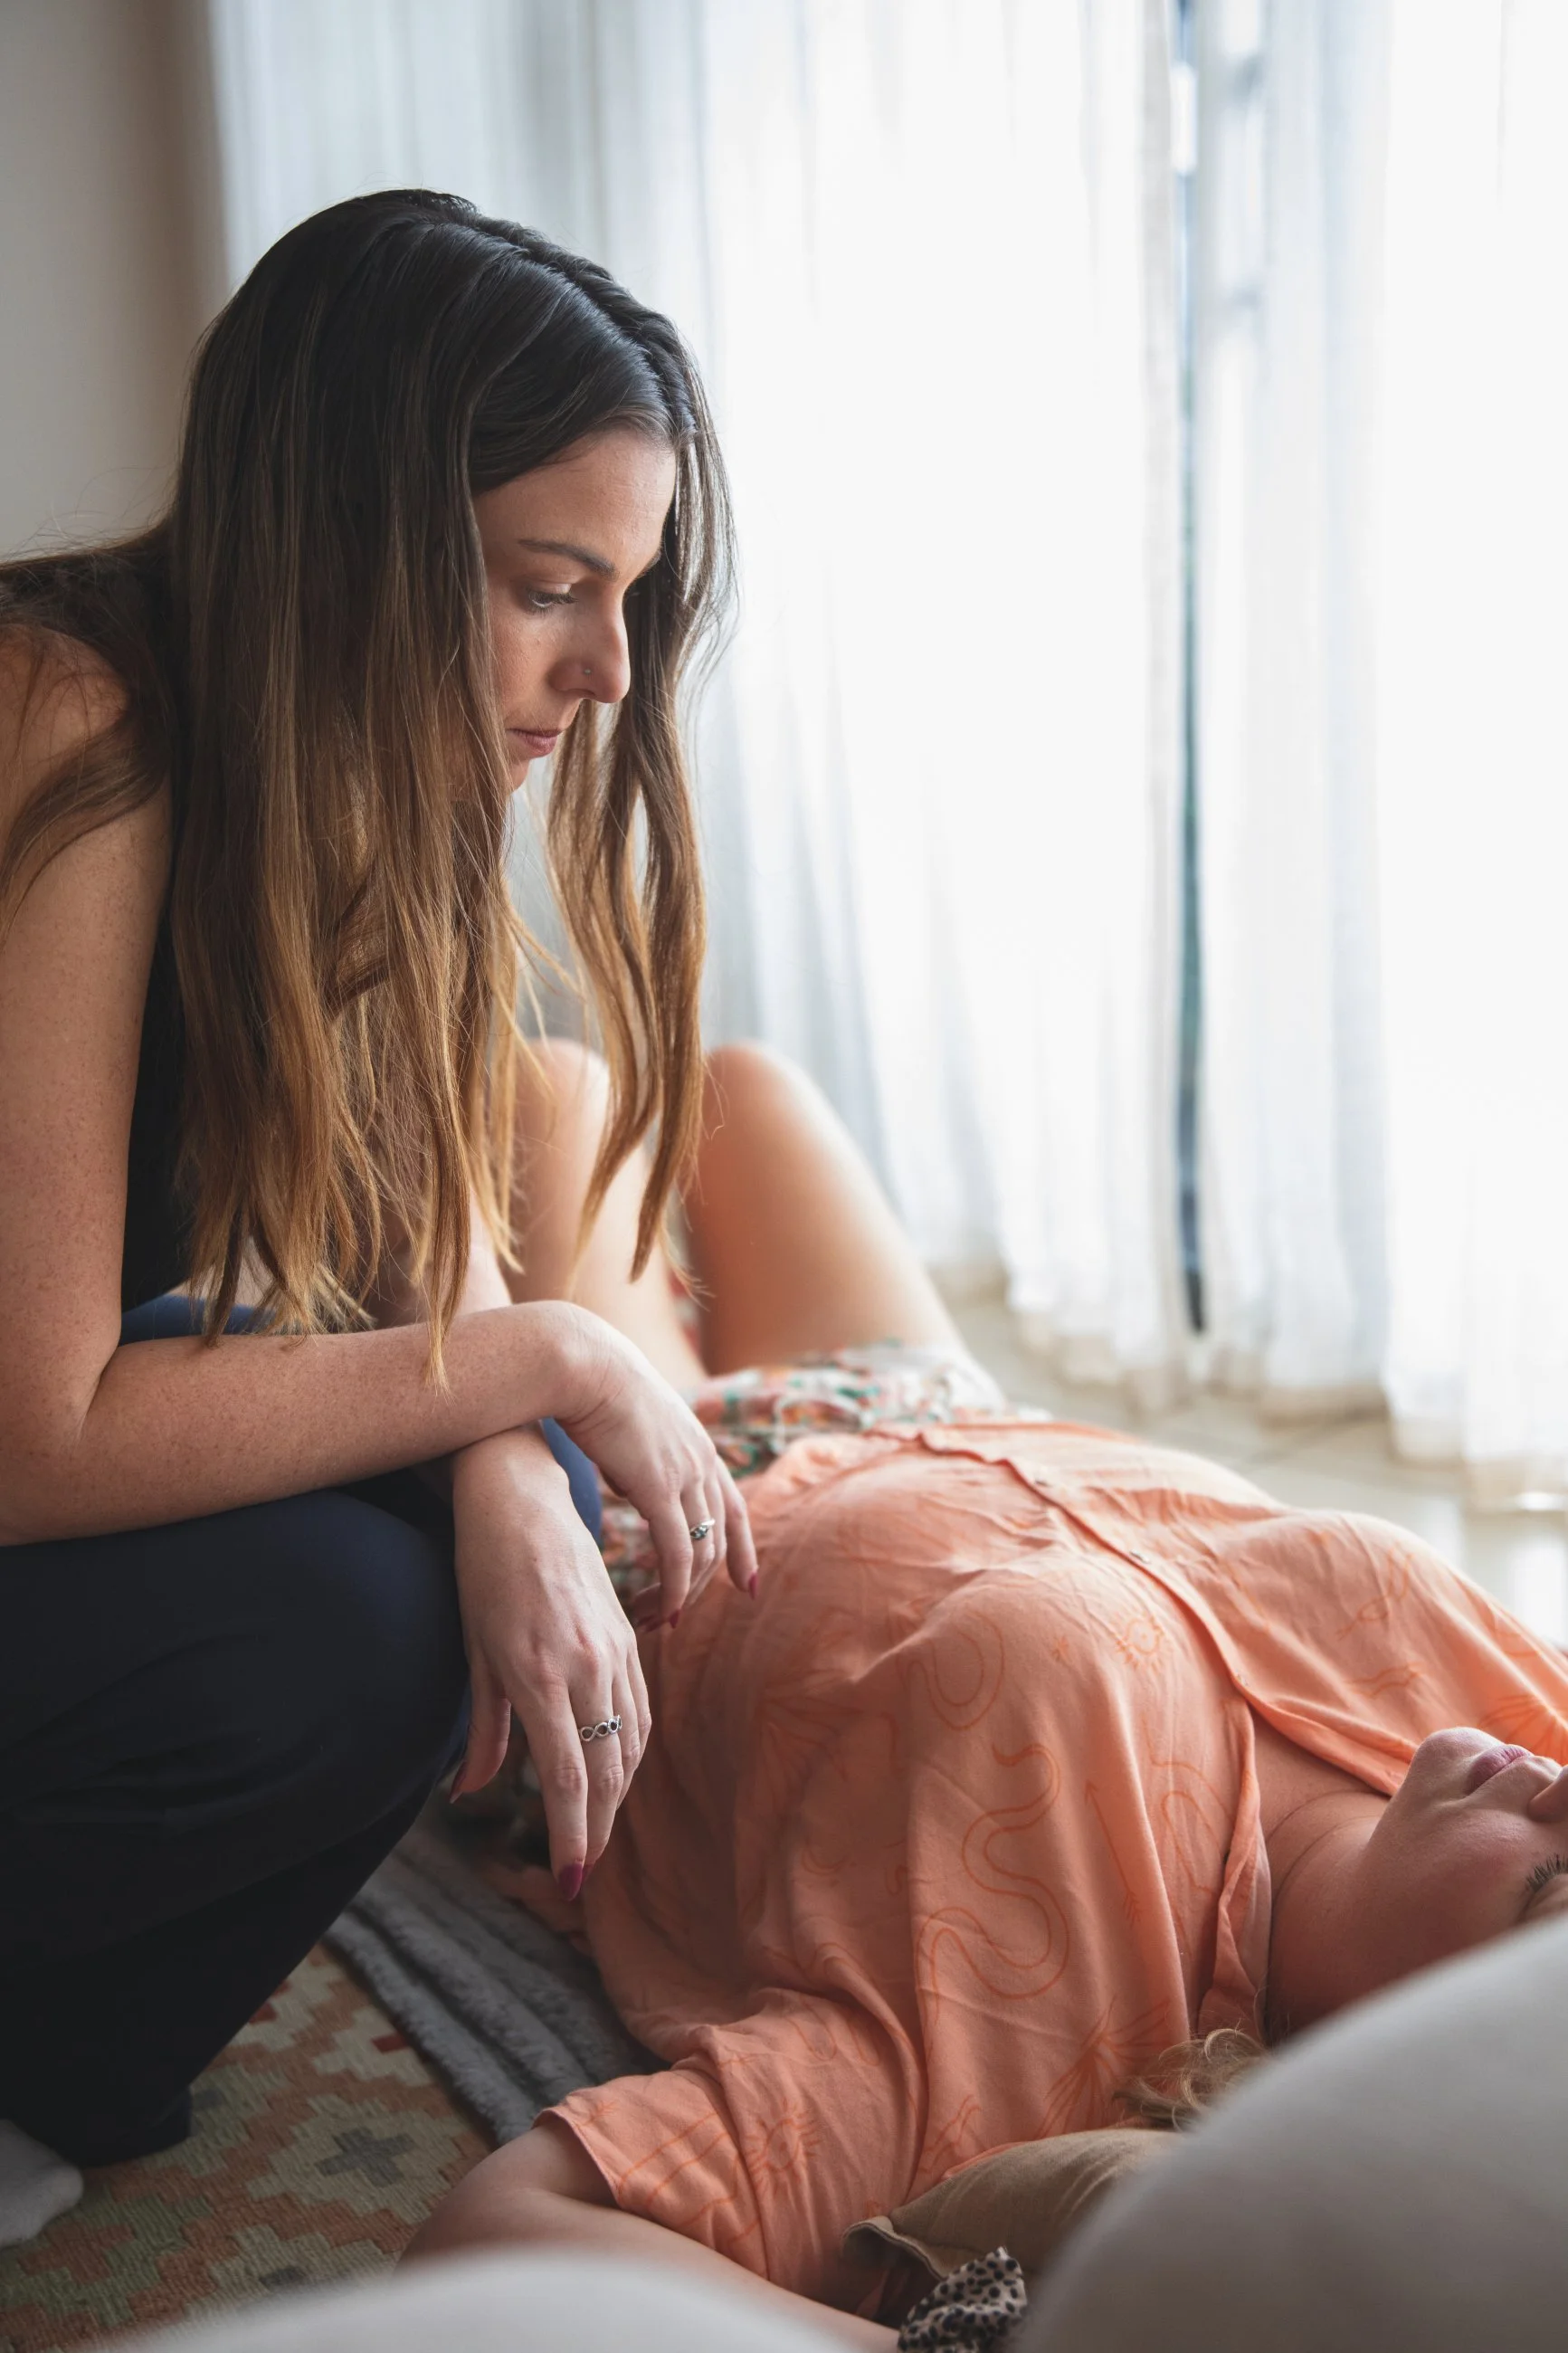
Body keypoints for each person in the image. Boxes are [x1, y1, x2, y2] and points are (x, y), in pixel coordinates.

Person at [408, 1041, 1568, 2352]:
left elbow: (499, 2244)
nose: (1560, 1794)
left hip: (669, 1521)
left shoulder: (1035, 2028)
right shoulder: (1521, 1731)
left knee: (543, 1090)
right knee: (740, 1087)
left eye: (1545, 1882)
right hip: (937, 1410)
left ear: (1401, 2059)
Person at [0, 189, 758, 2185]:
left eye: (628, 591)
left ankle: (43, 2095)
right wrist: (544, 1361)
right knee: (344, 1621)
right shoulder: (66, 711)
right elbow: (42, 1429)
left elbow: (416, 1259)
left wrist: (513, 1438)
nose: (605, 670)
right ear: (349, 535)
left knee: (503, 1526)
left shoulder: (369, 779)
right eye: (542, 584)